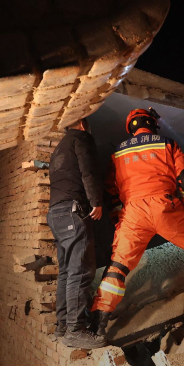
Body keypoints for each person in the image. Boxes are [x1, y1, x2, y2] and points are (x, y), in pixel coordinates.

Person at [91, 108, 184, 337]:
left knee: (117, 268)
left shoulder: (117, 153)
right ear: (152, 124)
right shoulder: (167, 143)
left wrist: (120, 218)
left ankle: (99, 324)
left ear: (132, 127)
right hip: (165, 207)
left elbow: (111, 192)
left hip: (133, 213)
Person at [47, 118, 106, 349]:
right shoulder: (81, 138)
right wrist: (96, 202)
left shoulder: (59, 147)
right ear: (82, 123)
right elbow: (88, 171)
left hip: (55, 214)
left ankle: (62, 326)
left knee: (66, 272)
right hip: (73, 212)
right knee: (80, 273)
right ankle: (75, 330)